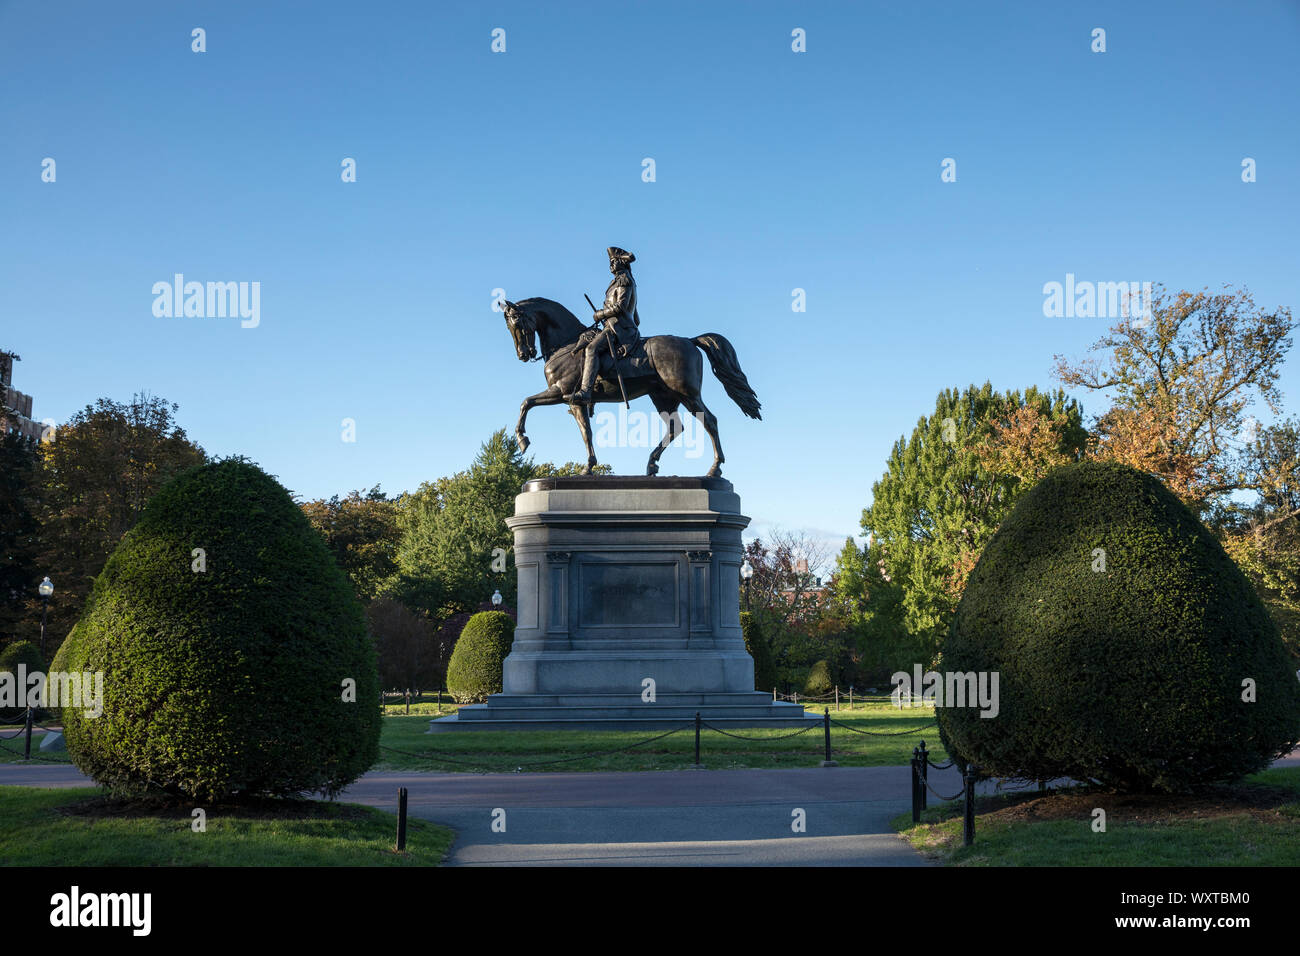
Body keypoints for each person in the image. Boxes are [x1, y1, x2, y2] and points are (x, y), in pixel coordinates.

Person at [569, 246, 641, 405]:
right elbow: (636, 317)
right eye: (610, 262)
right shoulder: (619, 281)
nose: (611, 265)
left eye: (615, 261)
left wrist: (600, 314)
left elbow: (621, 307)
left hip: (619, 329)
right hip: (616, 326)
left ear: (623, 263)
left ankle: (586, 392)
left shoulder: (624, 280)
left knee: (591, 349)